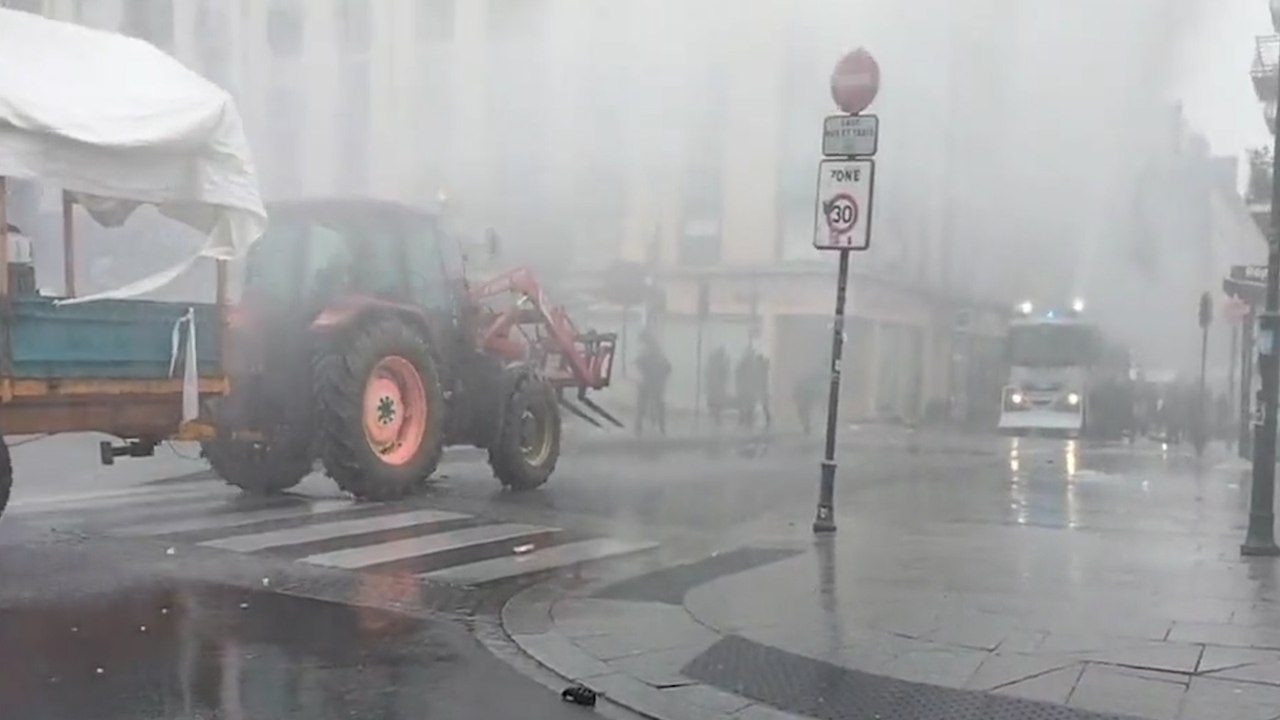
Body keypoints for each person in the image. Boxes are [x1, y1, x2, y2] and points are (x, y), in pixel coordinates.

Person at [634, 333, 671, 436]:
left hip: (649, 382)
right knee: (656, 405)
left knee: (645, 405)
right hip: (653, 383)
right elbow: (667, 368)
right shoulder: (656, 353)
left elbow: (640, 362)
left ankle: (640, 427)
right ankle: (660, 426)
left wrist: (647, 373)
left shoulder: (650, 352)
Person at [793, 367, 825, 435]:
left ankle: (807, 427)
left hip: (805, 398)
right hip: (804, 398)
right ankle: (807, 427)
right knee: (804, 412)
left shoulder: (807, 384)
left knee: (804, 412)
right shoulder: (806, 384)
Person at [705, 346, 730, 430]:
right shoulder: (718, 363)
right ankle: (716, 419)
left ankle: (716, 418)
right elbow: (723, 374)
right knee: (716, 403)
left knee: (716, 403)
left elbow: (723, 375)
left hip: (716, 387)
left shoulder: (716, 363)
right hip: (717, 387)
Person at [735, 346, 758, 430]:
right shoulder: (747, 364)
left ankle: (745, 423)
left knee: (748, 407)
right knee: (746, 407)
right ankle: (745, 423)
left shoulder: (749, 364)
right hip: (746, 390)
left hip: (748, 390)